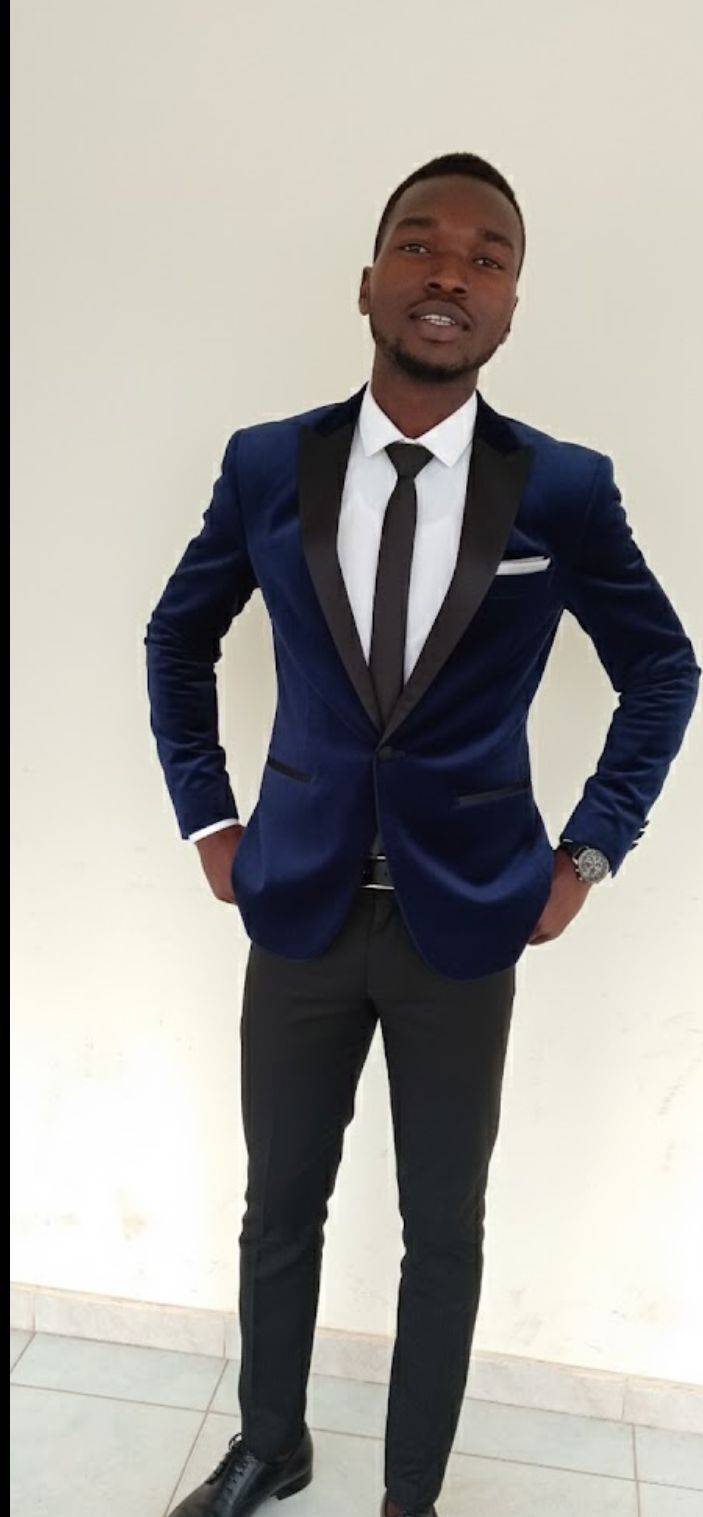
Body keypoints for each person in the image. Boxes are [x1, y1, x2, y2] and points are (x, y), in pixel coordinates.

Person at [144, 152, 700, 1517]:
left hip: (469, 915)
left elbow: (662, 668)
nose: (451, 270)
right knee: (280, 1206)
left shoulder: (561, 490)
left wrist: (590, 851)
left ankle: (410, 1495)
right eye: (420, 242)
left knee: (441, 1227)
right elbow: (177, 635)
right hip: (299, 901)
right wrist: (211, 817)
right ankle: (270, 1444)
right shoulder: (269, 463)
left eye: (487, 256)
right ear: (369, 281)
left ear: (509, 306)